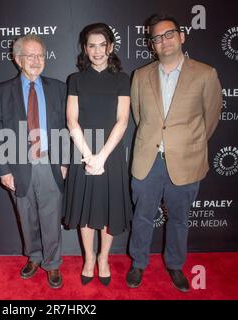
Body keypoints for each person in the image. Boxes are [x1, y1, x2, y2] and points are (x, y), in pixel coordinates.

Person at [126, 13, 222, 292]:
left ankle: (175, 265)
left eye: (169, 35)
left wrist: (188, 144)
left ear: (182, 37)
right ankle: (138, 263)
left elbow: (211, 117)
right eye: (157, 38)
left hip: (186, 161)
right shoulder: (140, 75)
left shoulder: (206, 74)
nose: (163, 41)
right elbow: (139, 114)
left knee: (180, 219)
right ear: (152, 45)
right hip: (148, 160)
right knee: (142, 216)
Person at [0, 35, 67, 289]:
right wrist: (3, 170)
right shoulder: (1, 92)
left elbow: (66, 128)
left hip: (50, 163)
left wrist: (65, 162)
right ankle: (34, 257)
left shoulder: (58, 88)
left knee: (51, 215)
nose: (36, 61)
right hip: (18, 166)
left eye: (40, 56)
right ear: (17, 59)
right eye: (30, 56)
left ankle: (53, 263)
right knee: (27, 216)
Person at [63, 23, 132, 286]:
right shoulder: (76, 79)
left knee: (108, 208)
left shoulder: (122, 79)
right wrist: (89, 156)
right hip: (83, 152)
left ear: (111, 47)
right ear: (85, 49)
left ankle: (104, 258)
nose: (97, 51)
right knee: (85, 209)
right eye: (91, 45)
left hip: (110, 155)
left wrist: (101, 157)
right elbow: (72, 121)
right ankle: (89, 258)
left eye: (102, 45)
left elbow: (123, 121)